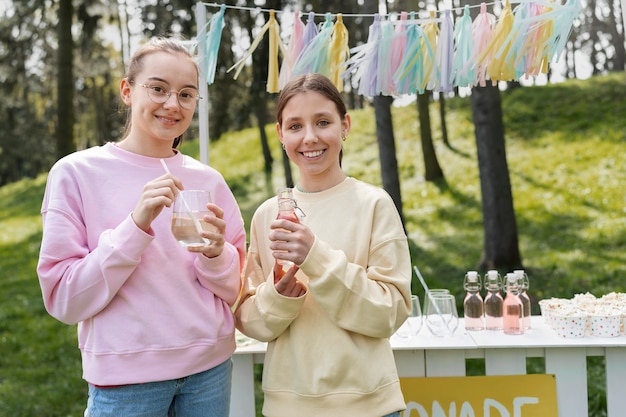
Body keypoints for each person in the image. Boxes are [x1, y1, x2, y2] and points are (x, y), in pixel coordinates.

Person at [37, 37, 246, 417]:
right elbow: (64, 299)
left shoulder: (209, 180)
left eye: (186, 94)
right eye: (158, 88)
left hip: (209, 372)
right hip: (125, 383)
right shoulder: (75, 173)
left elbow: (238, 289)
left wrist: (217, 254)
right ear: (127, 90)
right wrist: (135, 226)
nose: (172, 104)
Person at [234, 73, 412, 417]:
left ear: (345, 126)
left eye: (323, 122)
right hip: (288, 407)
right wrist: (280, 298)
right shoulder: (267, 215)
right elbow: (251, 321)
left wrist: (315, 257)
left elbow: (390, 313)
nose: (310, 137)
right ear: (280, 134)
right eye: (295, 126)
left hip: (370, 407)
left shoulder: (374, 204)